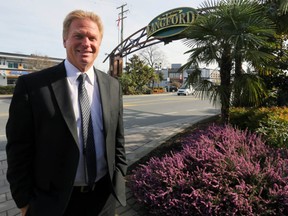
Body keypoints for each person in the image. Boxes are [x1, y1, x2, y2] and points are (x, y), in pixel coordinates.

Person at [6, 9, 127, 216]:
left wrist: (119, 176)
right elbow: (18, 149)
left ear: (99, 43)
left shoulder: (112, 85)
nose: (86, 43)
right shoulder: (33, 86)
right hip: (52, 203)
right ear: (65, 40)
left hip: (103, 199)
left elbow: (118, 140)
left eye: (92, 38)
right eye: (78, 36)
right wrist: (24, 201)